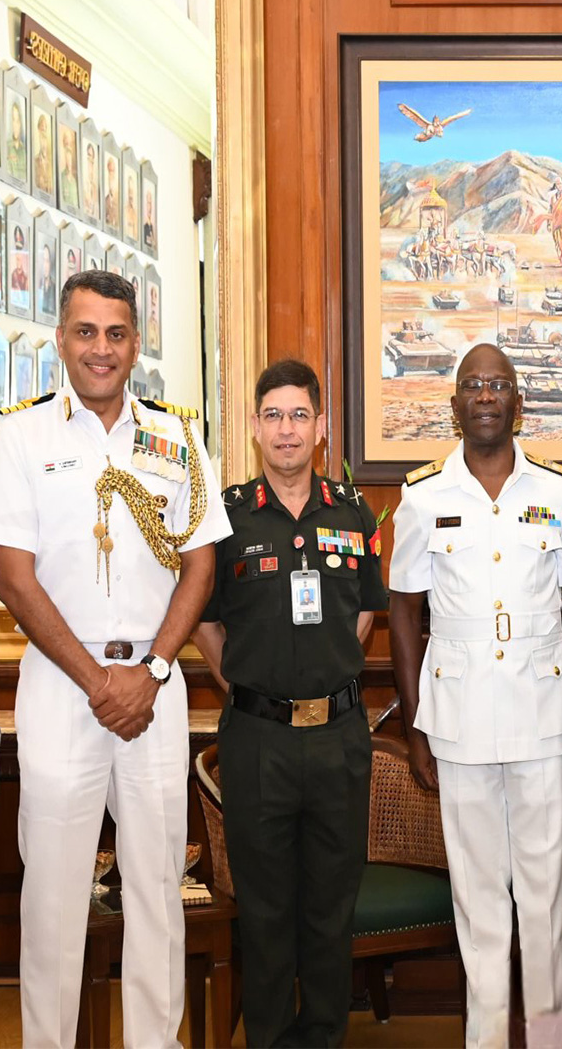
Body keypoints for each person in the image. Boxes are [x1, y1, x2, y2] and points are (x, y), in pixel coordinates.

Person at [0, 270, 230, 1047]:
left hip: (154, 692)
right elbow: (12, 579)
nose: (101, 349)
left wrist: (151, 672)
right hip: (64, 691)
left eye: (116, 334)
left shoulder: (175, 436)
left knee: (157, 890)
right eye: (85, 332)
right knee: (53, 899)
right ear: (60, 340)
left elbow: (201, 564)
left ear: (135, 343)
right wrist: (99, 683)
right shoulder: (22, 436)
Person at [388, 343, 562, 1048]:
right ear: (455, 403)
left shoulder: (558, 492)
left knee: (544, 901)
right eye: (472, 384)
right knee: (478, 903)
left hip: (542, 715)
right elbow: (403, 613)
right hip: (459, 719)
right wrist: (417, 726)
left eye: (497, 384)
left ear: (516, 401)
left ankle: (546, 1039)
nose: (484, 395)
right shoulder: (421, 496)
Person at [196, 358, 387, 1047]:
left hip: (336, 740)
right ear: (254, 426)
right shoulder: (227, 516)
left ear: (321, 426)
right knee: (267, 913)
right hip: (258, 741)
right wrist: (254, 689)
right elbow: (205, 621)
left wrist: (320, 683)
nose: (286, 430)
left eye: (299, 415)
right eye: (273, 415)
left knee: (331, 911)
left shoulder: (353, 511)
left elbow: (364, 616)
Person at [7, 101, 26, 180]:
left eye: (17, 121)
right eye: (13, 120)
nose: (15, 125)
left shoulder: (25, 152)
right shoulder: (6, 148)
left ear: (20, 124)